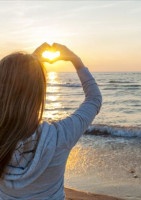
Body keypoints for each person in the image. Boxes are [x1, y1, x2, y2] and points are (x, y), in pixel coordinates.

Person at [0, 43, 102, 199]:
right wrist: (76, 61)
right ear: (39, 91)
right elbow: (94, 99)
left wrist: (31, 64)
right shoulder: (60, 135)